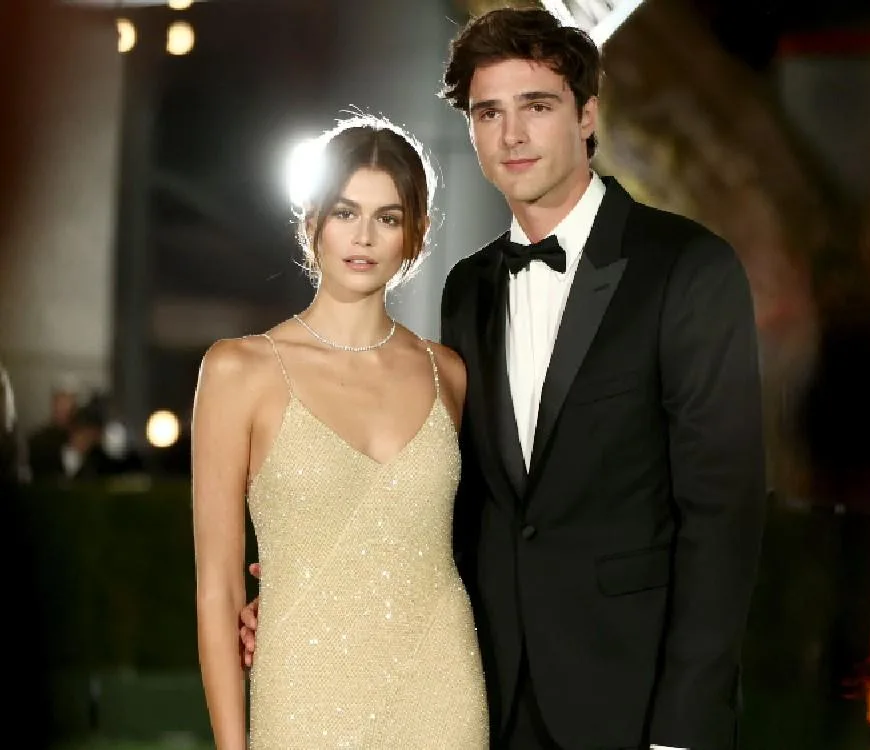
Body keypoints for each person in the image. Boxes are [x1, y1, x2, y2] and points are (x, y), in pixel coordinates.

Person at [240, 8, 766, 749]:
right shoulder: (469, 288)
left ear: (587, 117)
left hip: (635, 704)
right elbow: (467, 501)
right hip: (483, 695)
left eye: (537, 107)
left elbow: (723, 517)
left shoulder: (689, 268)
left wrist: (684, 729)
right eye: (490, 112)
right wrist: (323, 589)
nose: (511, 134)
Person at [191, 115, 488, 749]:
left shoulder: (451, 376)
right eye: (346, 212)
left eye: (388, 217)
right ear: (312, 221)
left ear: (415, 235)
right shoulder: (238, 370)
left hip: (442, 689)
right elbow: (218, 586)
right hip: (302, 690)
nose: (364, 236)